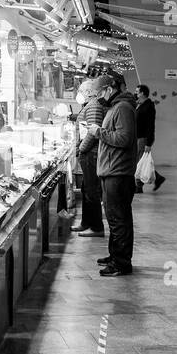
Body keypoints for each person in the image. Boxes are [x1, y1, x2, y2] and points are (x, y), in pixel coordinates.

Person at [91, 75, 137, 276]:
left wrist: (98, 132)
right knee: (114, 217)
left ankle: (121, 263)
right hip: (112, 171)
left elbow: (124, 138)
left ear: (109, 89)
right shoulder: (115, 108)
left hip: (118, 173)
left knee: (119, 219)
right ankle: (115, 255)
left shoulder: (123, 108)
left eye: (100, 93)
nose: (98, 97)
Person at [74, 76, 107, 237]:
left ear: (88, 92)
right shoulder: (89, 105)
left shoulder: (93, 106)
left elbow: (93, 132)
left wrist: (81, 148)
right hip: (88, 154)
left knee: (92, 191)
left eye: (80, 91)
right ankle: (86, 222)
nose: (79, 94)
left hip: (91, 155)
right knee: (86, 189)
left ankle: (96, 227)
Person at [134, 84, 165, 192]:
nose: (135, 93)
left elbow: (150, 126)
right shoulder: (139, 104)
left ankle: (138, 187)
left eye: (137, 91)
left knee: (139, 161)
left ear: (142, 93)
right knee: (141, 161)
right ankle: (158, 179)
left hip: (143, 138)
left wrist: (149, 142)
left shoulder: (148, 106)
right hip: (138, 137)